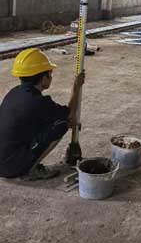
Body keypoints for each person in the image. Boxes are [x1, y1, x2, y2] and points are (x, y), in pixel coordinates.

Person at [0, 48, 85, 180]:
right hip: (10, 167)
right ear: (43, 77)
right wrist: (76, 87)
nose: (51, 77)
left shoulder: (14, 92)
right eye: (50, 74)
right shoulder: (39, 102)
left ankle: (24, 164)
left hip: (4, 158)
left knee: (50, 120)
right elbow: (69, 115)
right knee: (62, 124)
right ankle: (30, 170)